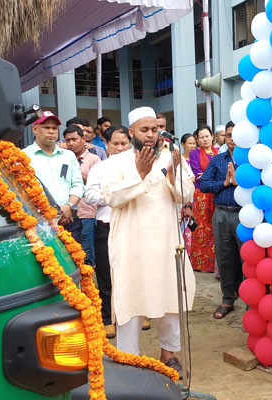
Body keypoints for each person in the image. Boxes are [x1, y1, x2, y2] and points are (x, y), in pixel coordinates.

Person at [100, 106, 195, 375]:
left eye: (155, 129)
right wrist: (139, 175)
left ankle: (169, 352)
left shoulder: (172, 158)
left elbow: (186, 195)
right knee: (130, 297)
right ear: (132, 133)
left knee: (170, 297)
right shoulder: (114, 164)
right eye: (145, 129)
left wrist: (174, 172)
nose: (151, 134)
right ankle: (129, 357)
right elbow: (111, 198)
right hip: (131, 244)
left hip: (167, 242)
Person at [83, 125, 132, 337]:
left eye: (124, 144)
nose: (120, 148)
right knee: (106, 274)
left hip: (133, 227)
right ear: (107, 145)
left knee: (133, 271)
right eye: (116, 144)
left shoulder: (138, 168)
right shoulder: (99, 169)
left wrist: (114, 195)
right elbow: (91, 196)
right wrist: (117, 196)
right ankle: (107, 317)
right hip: (107, 227)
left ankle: (134, 314)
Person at [198, 121, 246, 320]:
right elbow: (203, 184)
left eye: (236, 134)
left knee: (248, 260)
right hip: (222, 215)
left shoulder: (252, 159)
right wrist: (225, 182)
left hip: (246, 216)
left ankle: (252, 302)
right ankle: (227, 299)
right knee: (225, 258)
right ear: (224, 138)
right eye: (228, 135)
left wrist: (240, 181)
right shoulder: (218, 160)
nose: (232, 137)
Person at [24, 111, 84, 243]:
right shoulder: (23, 156)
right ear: (35, 129)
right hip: (39, 223)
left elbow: (78, 184)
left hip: (69, 220)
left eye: (54, 128)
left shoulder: (68, 156)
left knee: (75, 262)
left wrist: (69, 206)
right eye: (46, 127)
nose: (51, 131)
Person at [63, 125, 101, 267]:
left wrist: (80, 174)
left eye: (74, 139)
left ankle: (89, 286)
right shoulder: (64, 158)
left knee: (86, 255)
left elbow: (100, 186)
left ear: (83, 139)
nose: (71, 143)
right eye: (68, 140)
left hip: (86, 213)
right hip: (67, 214)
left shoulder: (94, 159)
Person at [189, 125, 218, 273]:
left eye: (207, 136)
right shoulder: (194, 154)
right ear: (197, 139)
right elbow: (196, 172)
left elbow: (217, 172)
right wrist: (212, 175)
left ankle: (214, 265)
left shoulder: (219, 152)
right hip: (201, 195)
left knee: (214, 228)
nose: (205, 139)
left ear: (212, 136)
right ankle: (199, 263)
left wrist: (207, 175)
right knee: (201, 228)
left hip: (216, 193)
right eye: (201, 137)